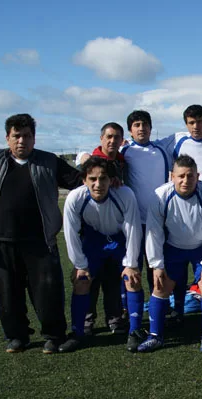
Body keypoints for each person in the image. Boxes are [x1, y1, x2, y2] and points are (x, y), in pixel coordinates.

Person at [0, 113, 81, 354]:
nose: (22, 141)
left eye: (27, 136)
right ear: (7, 138)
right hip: (2, 242)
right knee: (7, 295)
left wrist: (103, 174)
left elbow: (79, 180)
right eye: (16, 136)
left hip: (40, 242)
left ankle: (54, 336)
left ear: (34, 139)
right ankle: (17, 336)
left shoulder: (49, 162)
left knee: (48, 293)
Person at [59, 157, 144, 353]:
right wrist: (79, 265)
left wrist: (131, 263)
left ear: (111, 180)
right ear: (84, 180)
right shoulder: (75, 198)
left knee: (132, 279)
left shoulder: (124, 194)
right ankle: (78, 332)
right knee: (81, 280)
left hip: (119, 239)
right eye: (93, 179)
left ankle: (135, 331)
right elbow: (71, 234)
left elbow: (133, 229)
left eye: (103, 178)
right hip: (94, 241)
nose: (98, 184)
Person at [141, 155, 202, 353]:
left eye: (190, 176)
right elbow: (154, 233)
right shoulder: (160, 196)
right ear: (172, 176)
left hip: (201, 248)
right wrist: (157, 265)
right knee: (161, 287)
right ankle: (155, 336)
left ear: (198, 176)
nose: (186, 181)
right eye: (181, 176)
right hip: (173, 247)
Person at [120, 110, 171, 316]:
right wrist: (82, 156)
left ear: (151, 127)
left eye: (145, 124)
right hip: (133, 222)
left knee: (157, 268)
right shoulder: (124, 151)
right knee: (132, 266)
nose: (141, 128)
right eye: (136, 125)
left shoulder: (161, 150)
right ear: (130, 130)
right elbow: (99, 156)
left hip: (158, 221)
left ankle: (161, 309)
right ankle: (128, 311)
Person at [84, 122, 128, 335]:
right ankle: (87, 321)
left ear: (122, 140)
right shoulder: (92, 160)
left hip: (116, 229)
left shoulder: (121, 159)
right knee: (90, 279)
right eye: (109, 137)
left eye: (117, 137)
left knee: (112, 278)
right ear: (101, 139)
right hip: (93, 230)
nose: (112, 141)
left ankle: (115, 319)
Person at [159, 105, 202, 193]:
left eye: (199, 122)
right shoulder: (176, 140)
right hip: (183, 198)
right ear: (186, 124)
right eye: (191, 123)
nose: (196, 126)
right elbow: (150, 148)